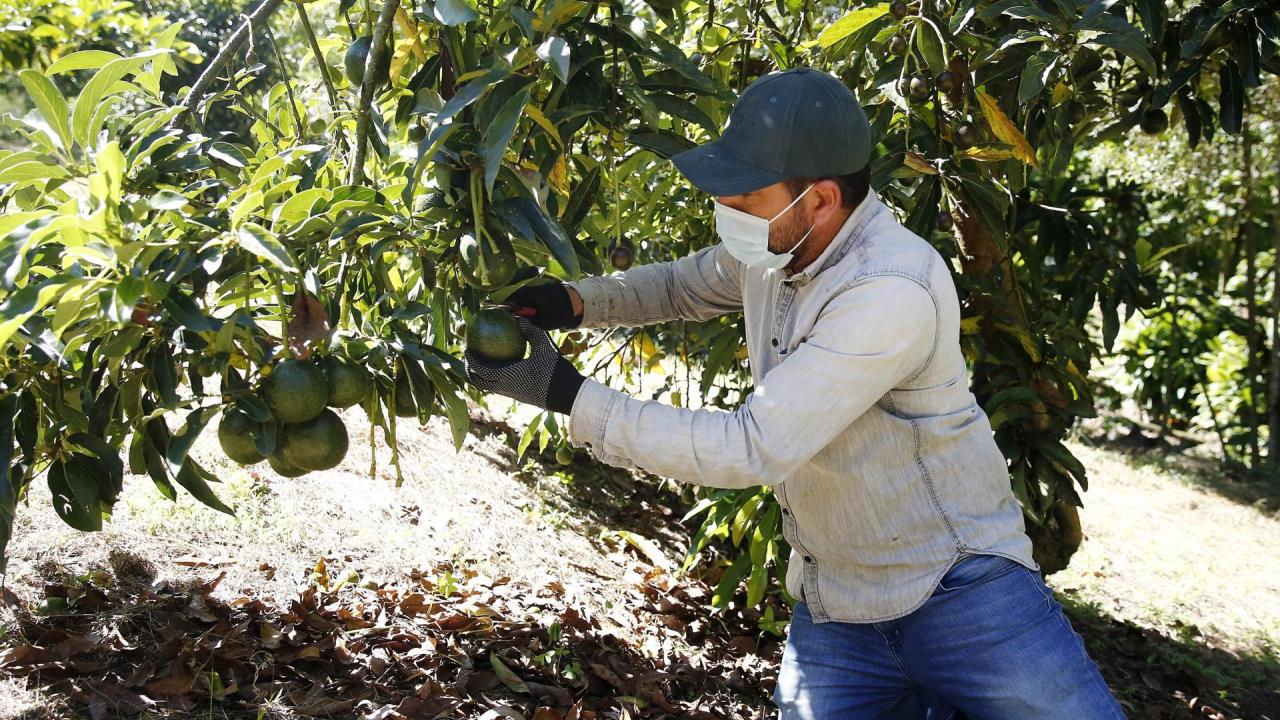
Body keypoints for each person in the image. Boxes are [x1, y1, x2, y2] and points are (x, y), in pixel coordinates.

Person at [464, 67, 1126, 719]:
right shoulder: (779, 247)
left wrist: (567, 394)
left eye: (745, 198)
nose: (725, 211)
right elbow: (681, 286)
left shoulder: (890, 288)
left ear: (822, 200)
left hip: (962, 592)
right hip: (838, 604)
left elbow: (752, 447)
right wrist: (574, 301)